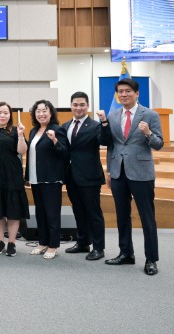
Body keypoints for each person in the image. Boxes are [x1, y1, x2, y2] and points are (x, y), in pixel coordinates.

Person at [98, 78, 163, 276]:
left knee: (147, 217)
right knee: (122, 216)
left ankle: (151, 259)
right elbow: (111, 145)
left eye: (128, 91)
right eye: (120, 91)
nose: (124, 94)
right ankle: (126, 253)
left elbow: (159, 144)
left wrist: (148, 133)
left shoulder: (150, 115)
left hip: (141, 173)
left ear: (137, 94)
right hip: (118, 172)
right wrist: (109, 171)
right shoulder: (113, 115)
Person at [59, 91, 106, 261]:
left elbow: (105, 140)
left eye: (82, 104)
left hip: (89, 176)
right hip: (71, 176)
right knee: (78, 210)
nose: (78, 108)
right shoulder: (64, 126)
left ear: (87, 106)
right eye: (75, 104)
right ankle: (83, 242)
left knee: (93, 212)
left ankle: (99, 247)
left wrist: (104, 122)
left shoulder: (95, 125)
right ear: (71, 106)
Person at [25, 100, 69, 260]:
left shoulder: (57, 129)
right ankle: (42, 243)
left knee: (52, 213)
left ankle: (53, 245)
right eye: (38, 111)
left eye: (45, 110)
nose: (41, 114)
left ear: (51, 113)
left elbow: (65, 153)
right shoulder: (33, 131)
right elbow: (31, 155)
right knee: (40, 212)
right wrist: (28, 177)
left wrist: (55, 141)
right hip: (36, 178)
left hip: (51, 178)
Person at [0, 102, 29, 257]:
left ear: (10, 115)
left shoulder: (16, 131)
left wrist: (21, 135)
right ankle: (0, 241)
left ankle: (11, 243)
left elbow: (22, 151)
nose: (3, 115)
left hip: (12, 173)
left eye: (6, 113)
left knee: (12, 210)